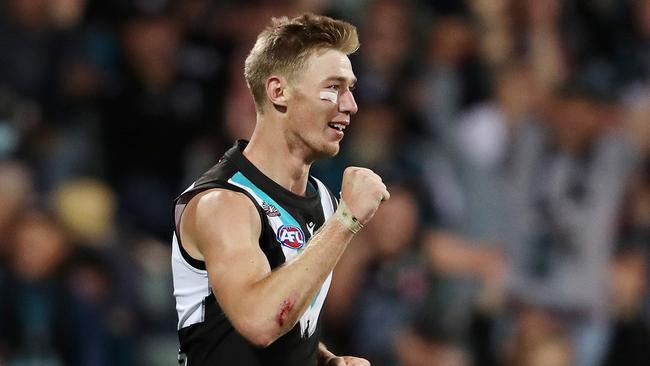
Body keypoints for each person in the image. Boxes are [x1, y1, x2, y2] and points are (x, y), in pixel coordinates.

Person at [171, 13, 390, 366]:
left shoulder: (320, 198)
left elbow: (283, 316)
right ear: (279, 92)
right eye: (333, 87)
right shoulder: (223, 203)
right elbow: (258, 322)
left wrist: (324, 360)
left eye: (350, 88)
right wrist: (346, 220)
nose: (350, 105)